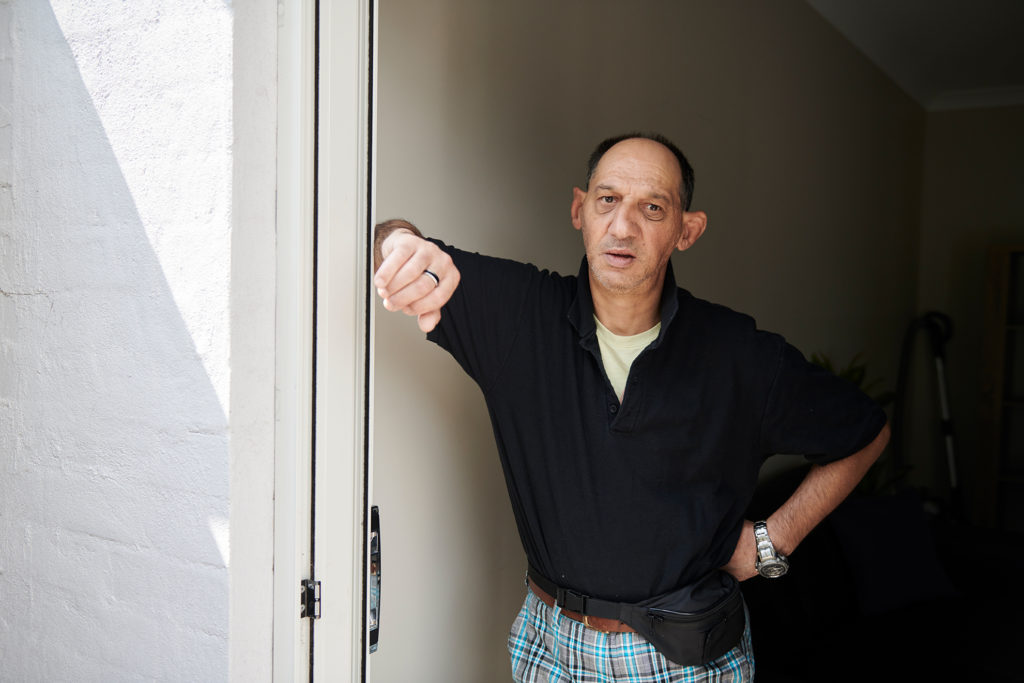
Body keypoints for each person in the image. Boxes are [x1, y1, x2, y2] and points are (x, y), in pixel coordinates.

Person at [372, 133, 889, 682]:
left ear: (686, 231)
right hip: (548, 646)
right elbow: (387, 240)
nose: (622, 227)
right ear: (580, 209)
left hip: (685, 657)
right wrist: (401, 243)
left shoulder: (740, 354)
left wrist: (772, 539)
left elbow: (866, 431)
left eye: (652, 208)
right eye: (607, 200)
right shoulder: (519, 315)